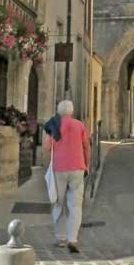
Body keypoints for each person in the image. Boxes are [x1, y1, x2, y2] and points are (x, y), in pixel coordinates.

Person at [43, 99, 90, 252]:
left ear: (59, 111)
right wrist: (87, 164)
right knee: (75, 205)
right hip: (77, 168)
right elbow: (86, 147)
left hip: (59, 168)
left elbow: (46, 147)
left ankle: (60, 237)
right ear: (72, 112)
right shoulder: (80, 125)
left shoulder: (55, 125)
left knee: (58, 203)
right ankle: (73, 238)